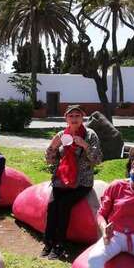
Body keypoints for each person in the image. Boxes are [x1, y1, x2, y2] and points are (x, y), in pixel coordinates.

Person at [43, 105, 102, 260]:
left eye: (77, 115)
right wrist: (52, 147)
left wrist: (85, 145)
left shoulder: (90, 135)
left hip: (82, 181)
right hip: (61, 180)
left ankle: (59, 245)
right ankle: (48, 242)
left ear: (82, 118)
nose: (74, 119)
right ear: (66, 118)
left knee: (64, 205)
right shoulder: (61, 135)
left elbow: (97, 159)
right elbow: (49, 160)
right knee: (52, 205)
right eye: (71, 116)